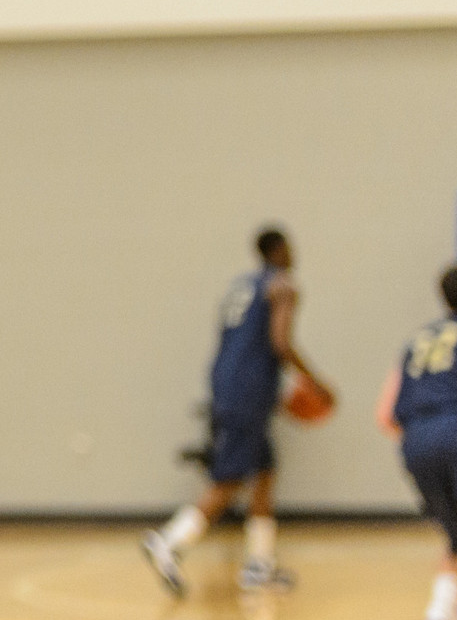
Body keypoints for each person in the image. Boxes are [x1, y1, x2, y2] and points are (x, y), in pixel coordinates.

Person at [142, 227, 334, 596]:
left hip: (230, 384)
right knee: (229, 478)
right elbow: (280, 342)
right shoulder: (282, 285)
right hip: (247, 390)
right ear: (278, 250)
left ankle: (259, 566)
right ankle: (168, 541)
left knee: (264, 470)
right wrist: (316, 382)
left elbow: (240, 344)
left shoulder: (239, 287)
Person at [378, 264, 457, 620]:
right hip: (455, 430)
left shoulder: (417, 341)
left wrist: (428, 439)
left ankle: (437, 617)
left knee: (456, 535)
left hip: (417, 443)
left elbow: (385, 416)